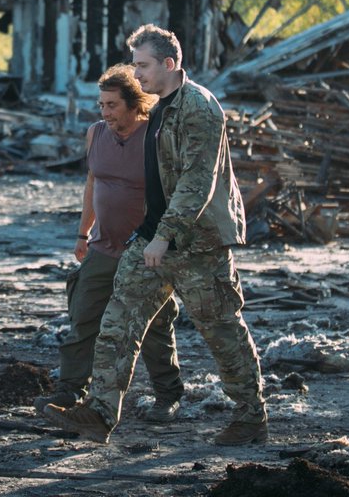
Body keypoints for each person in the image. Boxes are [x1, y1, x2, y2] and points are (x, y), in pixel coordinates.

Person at [42, 23, 267, 446]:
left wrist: (165, 235)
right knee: (117, 322)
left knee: (221, 330)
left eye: (143, 65)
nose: (137, 73)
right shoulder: (162, 106)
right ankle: (99, 413)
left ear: (169, 63)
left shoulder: (199, 108)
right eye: (135, 64)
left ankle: (251, 417)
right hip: (151, 241)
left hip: (198, 244)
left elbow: (197, 182)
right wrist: (148, 235)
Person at [34, 64, 184, 422]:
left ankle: (168, 396)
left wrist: (163, 241)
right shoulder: (95, 133)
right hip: (102, 245)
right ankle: (70, 391)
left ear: (135, 104)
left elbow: (172, 192)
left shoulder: (154, 136)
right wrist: (82, 232)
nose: (105, 112)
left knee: (154, 327)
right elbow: (92, 183)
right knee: (83, 317)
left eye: (112, 105)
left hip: (144, 249)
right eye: (101, 105)